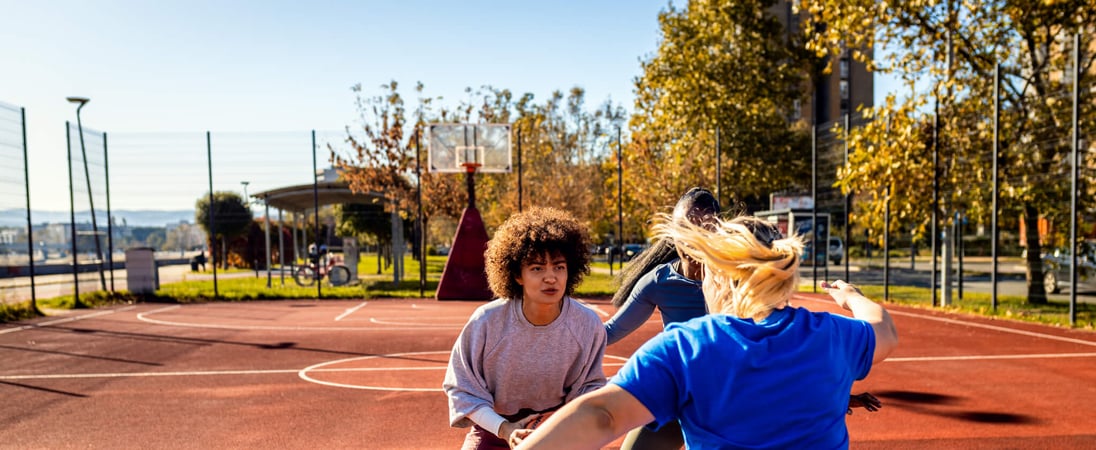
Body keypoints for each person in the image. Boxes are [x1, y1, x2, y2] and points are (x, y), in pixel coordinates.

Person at [514, 215, 899, 449]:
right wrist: (851, 298)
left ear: (718, 276)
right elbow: (884, 330)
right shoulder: (833, 336)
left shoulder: (686, 347)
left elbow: (603, 416)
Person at [605, 189, 879, 450]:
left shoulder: (742, 279)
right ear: (672, 233)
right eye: (684, 229)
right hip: (681, 391)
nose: (692, 237)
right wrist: (565, 325)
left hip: (736, 396)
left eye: (704, 228)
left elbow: (779, 345)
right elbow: (611, 332)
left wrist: (833, 391)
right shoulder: (659, 283)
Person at [443, 207, 608, 450]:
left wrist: (557, 423)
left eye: (559, 267)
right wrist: (504, 428)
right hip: (495, 430)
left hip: (557, 428)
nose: (550, 277)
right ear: (517, 274)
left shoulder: (586, 324)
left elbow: (590, 388)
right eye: (537, 268)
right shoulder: (487, 322)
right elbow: (462, 387)